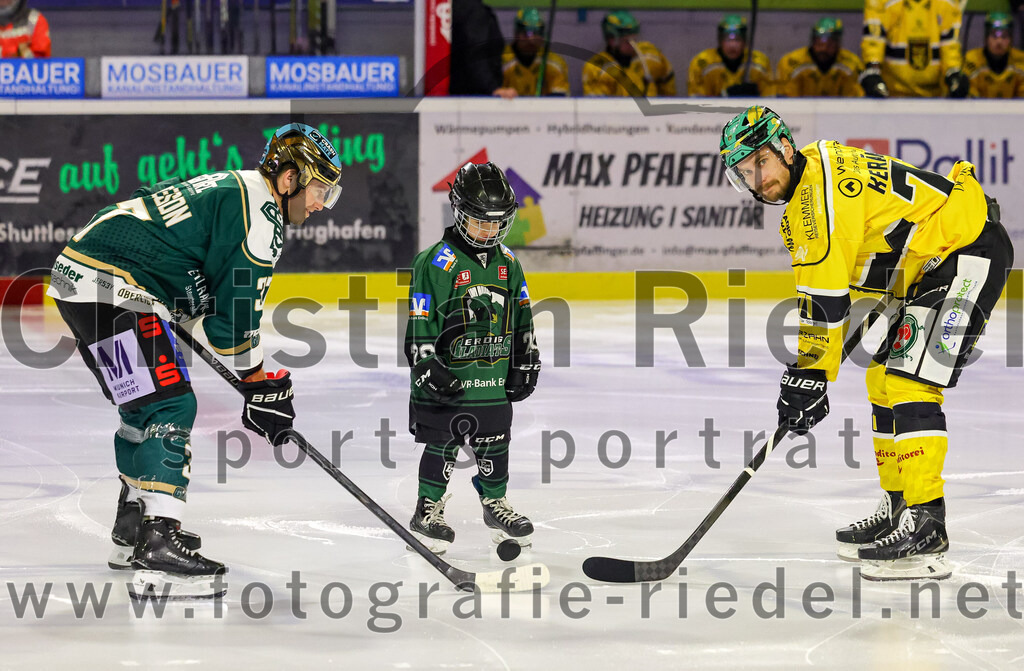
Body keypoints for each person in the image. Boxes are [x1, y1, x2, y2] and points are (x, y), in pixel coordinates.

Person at [47, 123, 343, 598]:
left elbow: (155, 218)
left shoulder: (231, 186)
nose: (320, 204)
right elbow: (234, 322)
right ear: (289, 178)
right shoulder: (261, 214)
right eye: (319, 190)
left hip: (78, 279)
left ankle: (133, 526)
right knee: (172, 404)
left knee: (141, 406)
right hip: (116, 285)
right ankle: (159, 543)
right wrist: (259, 382)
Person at [719, 106, 1013, 581]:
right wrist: (811, 372)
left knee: (909, 381)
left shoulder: (815, 203)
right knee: (881, 377)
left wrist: (809, 375)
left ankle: (927, 525)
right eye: (745, 172)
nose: (757, 180)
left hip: (965, 248)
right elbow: (833, 288)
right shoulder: (813, 177)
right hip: (928, 262)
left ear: (786, 149)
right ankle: (900, 507)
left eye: (761, 163)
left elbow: (826, 302)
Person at [405, 162, 540, 555]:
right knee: (441, 443)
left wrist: (526, 356)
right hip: (448, 377)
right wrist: (426, 364)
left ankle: (495, 505)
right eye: (481, 221)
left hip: (491, 376)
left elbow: (523, 313)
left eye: (498, 223)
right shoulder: (436, 261)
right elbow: (420, 320)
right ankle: (427, 511)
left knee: (495, 440)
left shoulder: (508, 262)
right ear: (459, 213)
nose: (490, 231)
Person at [860, 0, 969, 98]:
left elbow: (950, 47)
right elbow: (874, 42)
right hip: (892, 95)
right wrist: (872, 69)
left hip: (935, 96)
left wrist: (953, 73)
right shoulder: (881, 2)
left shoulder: (946, 3)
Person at [582, 10, 675, 97]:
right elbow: (598, 105)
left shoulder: (651, 56)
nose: (633, 45)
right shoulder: (596, 68)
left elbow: (668, 87)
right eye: (627, 41)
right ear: (611, 40)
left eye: (635, 39)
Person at [688, 14, 772, 97]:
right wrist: (725, 95)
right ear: (720, 41)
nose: (732, 45)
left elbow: (771, 99)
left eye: (737, 39)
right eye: (727, 39)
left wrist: (756, 99)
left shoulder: (760, 63)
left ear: (744, 42)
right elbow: (697, 101)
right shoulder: (702, 64)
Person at [776, 17, 863, 97]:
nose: (823, 49)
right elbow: (786, 100)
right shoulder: (791, 62)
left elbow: (855, 100)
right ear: (812, 41)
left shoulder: (852, 63)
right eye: (819, 43)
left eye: (830, 44)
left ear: (838, 44)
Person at [450, 0, 517, 98]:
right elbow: (475, 53)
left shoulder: (464, 7)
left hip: (462, 95)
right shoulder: (472, 9)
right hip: (473, 96)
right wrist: (492, 88)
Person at [502, 8, 569, 97]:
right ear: (516, 34)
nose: (531, 39)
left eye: (536, 33)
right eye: (526, 33)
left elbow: (561, 98)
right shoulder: (501, 60)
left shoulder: (554, 63)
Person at [963, 12, 1024, 98]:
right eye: (994, 36)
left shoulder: (1020, 59)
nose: (999, 41)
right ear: (986, 38)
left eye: (1004, 36)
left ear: (1011, 39)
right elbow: (970, 96)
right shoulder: (972, 59)